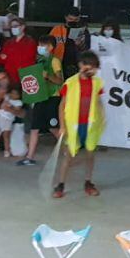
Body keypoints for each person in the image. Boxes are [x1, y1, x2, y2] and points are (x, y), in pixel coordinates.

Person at [52, 51, 106, 199]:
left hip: (90, 125)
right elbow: (61, 105)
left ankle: (88, 182)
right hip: (73, 126)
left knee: (90, 154)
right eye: (91, 66)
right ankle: (61, 184)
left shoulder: (97, 83)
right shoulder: (70, 83)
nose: (93, 70)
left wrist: (102, 118)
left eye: (95, 68)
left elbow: (99, 102)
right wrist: (62, 125)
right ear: (81, 65)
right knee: (68, 156)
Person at [17, 36, 64, 167]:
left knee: (53, 127)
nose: (40, 48)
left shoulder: (55, 61)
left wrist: (48, 76)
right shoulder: (39, 60)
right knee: (35, 127)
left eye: (43, 45)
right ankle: (29, 156)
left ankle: (68, 150)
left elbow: (60, 81)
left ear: (51, 47)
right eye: (39, 45)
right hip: (40, 96)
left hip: (52, 97)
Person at [49, 7, 90, 78]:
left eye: (76, 20)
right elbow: (48, 45)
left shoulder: (83, 31)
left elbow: (87, 49)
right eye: (70, 19)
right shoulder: (57, 30)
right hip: (59, 64)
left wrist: (80, 45)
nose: (73, 21)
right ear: (65, 18)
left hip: (76, 65)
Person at [0, 17, 38, 84]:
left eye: (15, 26)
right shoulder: (8, 42)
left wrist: (8, 57)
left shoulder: (30, 42)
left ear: (23, 27)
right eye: (11, 26)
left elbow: (27, 59)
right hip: (10, 77)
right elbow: (2, 58)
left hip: (25, 77)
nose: (13, 28)